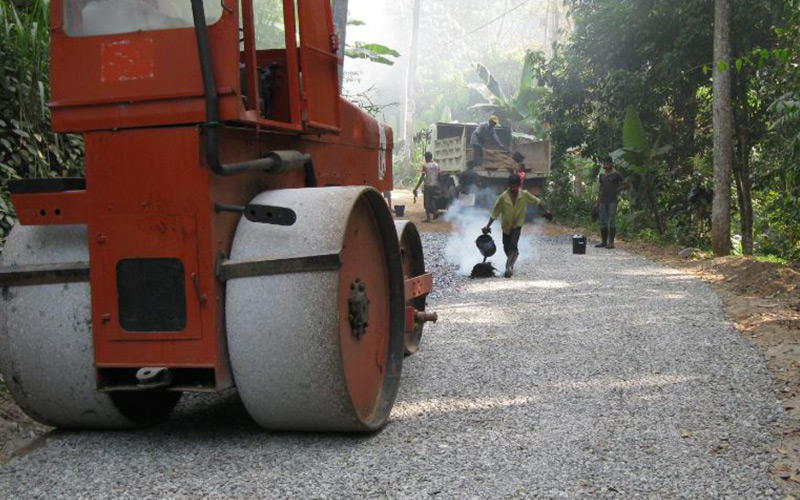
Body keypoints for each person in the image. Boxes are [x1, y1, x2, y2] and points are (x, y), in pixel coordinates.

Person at [482, 174, 553, 278]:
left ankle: (508, 266)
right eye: (512, 187)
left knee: (513, 244)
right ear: (509, 185)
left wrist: (546, 212)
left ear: (519, 185)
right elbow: (495, 213)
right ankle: (512, 259)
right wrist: (487, 226)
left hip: (517, 225)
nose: (514, 189)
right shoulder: (503, 197)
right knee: (506, 247)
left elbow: (537, 201)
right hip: (506, 226)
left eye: (516, 186)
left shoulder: (524, 194)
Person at [595, 156, 629, 249]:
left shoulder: (616, 174)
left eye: (607, 163)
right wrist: (597, 202)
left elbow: (626, 184)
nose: (605, 165)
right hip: (603, 200)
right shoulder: (602, 175)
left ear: (611, 164)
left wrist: (617, 190)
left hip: (612, 201)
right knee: (603, 221)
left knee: (612, 222)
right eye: (604, 163)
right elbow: (600, 189)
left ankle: (611, 242)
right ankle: (603, 242)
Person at [413, 152, 441, 222]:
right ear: (431, 157)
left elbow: (422, 177)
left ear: (426, 158)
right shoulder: (437, 165)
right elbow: (439, 176)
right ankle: (435, 212)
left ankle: (428, 218)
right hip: (435, 185)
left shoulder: (425, 166)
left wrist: (416, 187)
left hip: (428, 185)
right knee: (432, 199)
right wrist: (439, 184)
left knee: (427, 202)